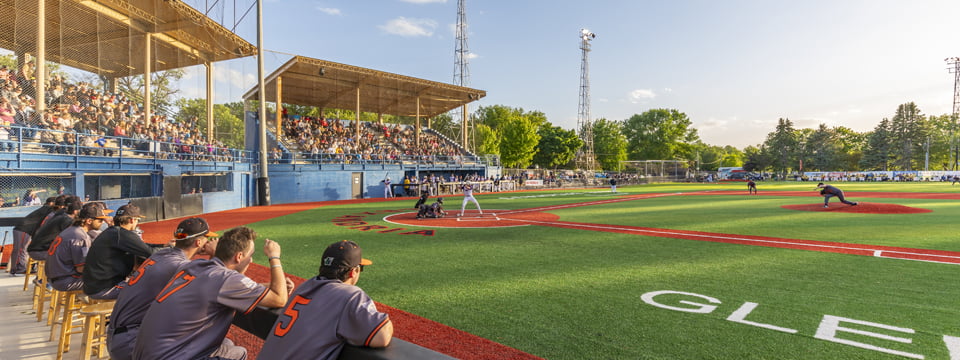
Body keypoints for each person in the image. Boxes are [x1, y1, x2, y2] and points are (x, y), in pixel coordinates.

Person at [132, 226, 289, 360]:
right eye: (250, 255)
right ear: (239, 257)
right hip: (168, 355)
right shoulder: (226, 279)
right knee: (239, 353)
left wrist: (269, 286)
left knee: (226, 344)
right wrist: (274, 257)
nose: (251, 260)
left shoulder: (195, 266)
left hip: (144, 351)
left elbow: (225, 285)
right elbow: (279, 299)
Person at [258, 240, 392, 360]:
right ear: (354, 271)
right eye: (360, 268)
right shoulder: (349, 295)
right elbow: (382, 336)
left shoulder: (305, 286)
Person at [107, 218, 219, 360]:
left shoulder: (161, 254)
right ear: (198, 242)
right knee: (222, 348)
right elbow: (214, 283)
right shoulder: (178, 265)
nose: (208, 241)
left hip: (120, 337)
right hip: (132, 343)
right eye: (206, 238)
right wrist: (215, 254)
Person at [83, 204, 162, 300]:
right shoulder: (121, 234)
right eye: (138, 220)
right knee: (155, 289)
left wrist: (164, 246)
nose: (137, 223)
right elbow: (151, 252)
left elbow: (143, 246)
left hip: (95, 286)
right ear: (132, 220)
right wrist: (171, 248)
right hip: (104, 289)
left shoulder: (114, 232)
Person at [44, 203, 111, 291]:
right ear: (89, 221)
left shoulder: (72, 229)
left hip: (57, 277)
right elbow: (81, 269)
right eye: (100, 220)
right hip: (66, 280)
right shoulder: (81, 236)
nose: (102, 222)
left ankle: (84, 295)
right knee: (113, 281)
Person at [9, 196, 55, 275]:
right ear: (51, 203)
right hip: (24, 228)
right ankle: (18, 269)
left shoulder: (46, 209)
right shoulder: (48, 209)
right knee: (20, 249)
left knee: (22, 249)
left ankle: (20, 268)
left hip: (26, 229)